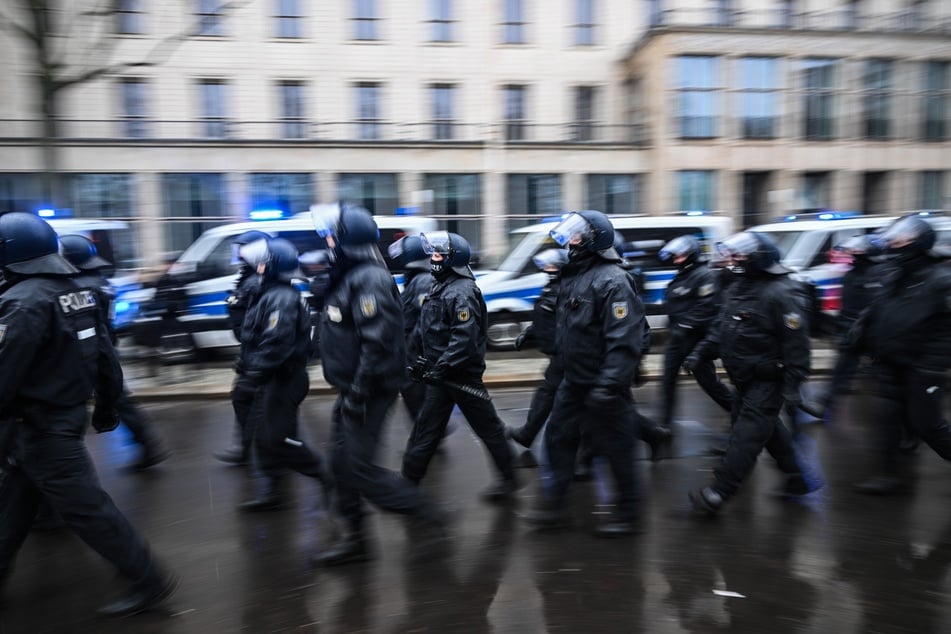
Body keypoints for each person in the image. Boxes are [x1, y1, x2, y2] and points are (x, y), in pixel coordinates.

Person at [0, 212, 176, 616]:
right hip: (54, 420)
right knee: (11, 507)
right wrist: (109, 404)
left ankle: (148, 579)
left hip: (40, 427)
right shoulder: (76, 292)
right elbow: (105, 358)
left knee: (87, 510)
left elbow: (4, 371)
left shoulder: (22, 302)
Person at [309, 204, 447, 566]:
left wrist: (359, 391)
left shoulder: (369, 278)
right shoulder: (351, 275)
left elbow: (379, 342)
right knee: (340, 465)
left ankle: (428, 513)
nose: (327, 241)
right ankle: (356, 540)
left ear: (347, 239)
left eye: (332, 235)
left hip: (369, 389)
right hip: (353, 388)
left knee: (361, 471)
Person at [522, 211, 647, 536]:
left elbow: (624, 341)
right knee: (558, 440)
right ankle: (556, 508)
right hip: (572, 380)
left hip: (603, 385)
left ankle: (629, 516)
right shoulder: (575, 276)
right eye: (571, 234)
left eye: (577, 235)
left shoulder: (613, 280)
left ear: (594, 240)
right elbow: (567, 325)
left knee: (618, 450)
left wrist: (609, 385)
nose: (570, 240)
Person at [684, 231, 821, 515]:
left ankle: (717, 493)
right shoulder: (739, 287)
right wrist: (700, 353)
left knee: (744, 437)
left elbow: (798, 346)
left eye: (738, 256)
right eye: (731, 255)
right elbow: (722, 329)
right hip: (744, 378)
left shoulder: (783, 292)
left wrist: (794, 384)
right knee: (768, 432)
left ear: (758, 258)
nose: (731, 261)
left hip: (768, 380)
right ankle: (798, 478)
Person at [401, 231, 518, 502]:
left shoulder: (462, 291)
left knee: (488, 428)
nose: (434, 258)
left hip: (461, 376)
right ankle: (408, 482)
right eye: (433, 253)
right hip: (442, 375)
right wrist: (421, 359)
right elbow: (428, 328)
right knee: (426, 429)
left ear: (454, 258)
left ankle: (509, 478)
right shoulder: (439, 285)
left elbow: (463, 338)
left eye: (439, 254)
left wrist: (441, 366)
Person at [847, 215, 951, 494]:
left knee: (927, 425)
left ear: (919, 243)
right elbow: (878, 311)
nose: (894, 243)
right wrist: (862, 333)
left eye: (901, 239)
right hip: (891, 364)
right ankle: (889, 476)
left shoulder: (941, 281)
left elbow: (946, 332)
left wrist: (931, 368)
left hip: (921, 370)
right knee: (887, 421)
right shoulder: (894, 275)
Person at [234, 237, 332, 511]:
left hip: (284, 378)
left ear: (272, 267)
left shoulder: (281, 298)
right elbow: (256, 336)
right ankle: (274, 492)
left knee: (279, 438)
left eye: (262, 263)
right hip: (271, 375)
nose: (257, 266)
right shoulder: (268, 293)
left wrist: (255, 372)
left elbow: (276, 342)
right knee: (263, 437)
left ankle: (327, 478)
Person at [59, 234, 171, 472]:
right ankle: (148, 444)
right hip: (104, 346)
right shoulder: (99, 281)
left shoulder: (81, 285)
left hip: (91, 350)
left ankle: (147, 445)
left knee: (99, 401)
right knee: (118, 398)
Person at [802, 233, 887, 418]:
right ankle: (824, 403)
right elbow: (847, 305)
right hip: (854, 331)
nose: (853, 255)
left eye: (857, 252)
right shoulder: (851, 275)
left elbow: (878, 306)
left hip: (876, 333)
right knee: (842, 370)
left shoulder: (882, 273)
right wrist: (839, 326)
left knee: (888, 378)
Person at [657, 235, 733, 431]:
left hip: (694, 341)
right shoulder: (682, 275)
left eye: (680, 256)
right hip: (677, 339)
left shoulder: (704, 275)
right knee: (667, 380)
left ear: (692, 255)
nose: (676, 260)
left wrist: (685, 326)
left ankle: (738, 411)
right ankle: (664, 423)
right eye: (675, 256)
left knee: (709, 384)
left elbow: (707, 307)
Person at [216, 229, 271, 466]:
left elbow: (258, 323)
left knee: (252, 401)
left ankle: (260, 452)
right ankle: (248, 449)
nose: (237, 253)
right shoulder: (249, 277)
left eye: (242, 248)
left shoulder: (256, 281)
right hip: (252, 353)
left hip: (260, 355)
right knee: (246, 400)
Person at [507, 248, 567, 457]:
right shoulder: (552, 288)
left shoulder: (565, 290)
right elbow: (544, 318)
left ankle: (529, 434)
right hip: (558, 354)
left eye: (552, 266)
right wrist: (529, 333)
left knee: (552, 394)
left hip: (567, 355)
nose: (547, 270)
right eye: (546, 266)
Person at [388, 234, 433, 426]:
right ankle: (429, 431)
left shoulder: (423, 280)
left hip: (416, 352)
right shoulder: (416, 278)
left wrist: (410, 348)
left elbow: (426, 319)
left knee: (414, 391)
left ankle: (429, 432)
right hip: (413, 350)